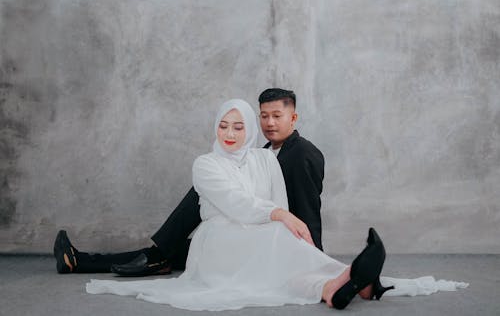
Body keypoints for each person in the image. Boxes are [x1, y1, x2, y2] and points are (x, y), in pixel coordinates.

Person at [85, 99, 467, 311]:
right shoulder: (206, 164)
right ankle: (350, 279)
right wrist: (280, 217)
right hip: (219, 240)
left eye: (239, 127)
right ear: (215, 128)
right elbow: (236, 204)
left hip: (263, 231)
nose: (231, 134)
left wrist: (290, 226)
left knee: (283, 245)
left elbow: (278, 204)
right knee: (271, 240)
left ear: (249, 129)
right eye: (224, 126)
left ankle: (339, 287)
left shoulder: (266, 159)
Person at [54, 88, 325, 275]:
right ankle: (83, 261)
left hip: (269, 240)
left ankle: (102, 260)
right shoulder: (262, 153)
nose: (269, 122)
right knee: (184, 233)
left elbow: (307, 212)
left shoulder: (302, 154)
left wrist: (311, 260)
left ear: (293, 118)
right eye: (264, 116)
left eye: (277, 116)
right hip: (243, 230)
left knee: (173, 242)